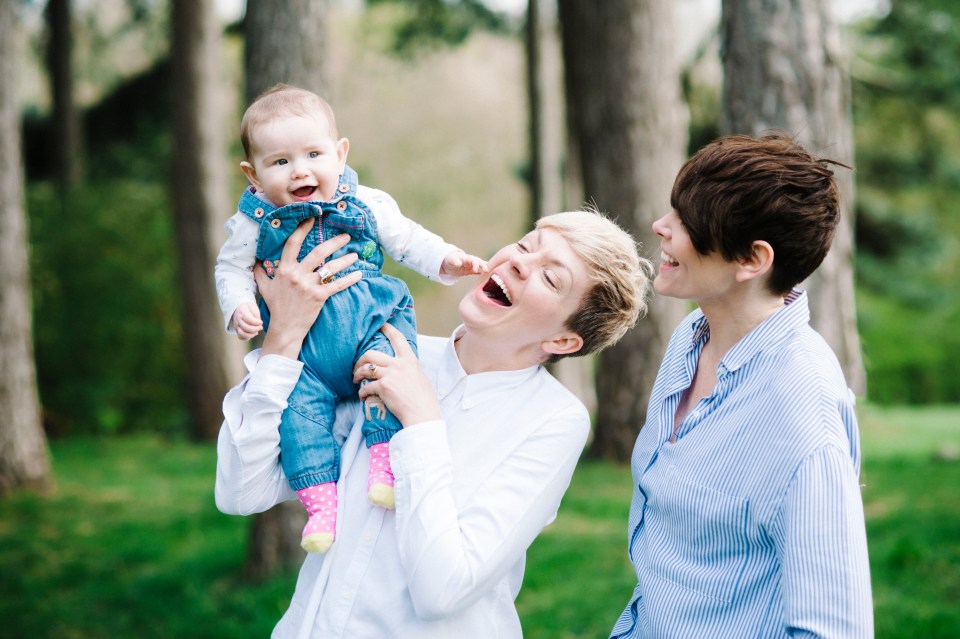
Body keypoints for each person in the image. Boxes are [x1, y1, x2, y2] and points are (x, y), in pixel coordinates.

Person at [215, 208, 654, 637]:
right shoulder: (384, 347)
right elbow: (242, 491)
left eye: (550, 277)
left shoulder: (555, 420)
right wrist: (284, 339)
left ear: (561, 340)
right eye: (526, 245)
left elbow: (442, 590)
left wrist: (422, 420)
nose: (519, 262)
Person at [609, 132, 873, 638]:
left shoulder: (802, 413)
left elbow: (837, 628)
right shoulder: (692, 337)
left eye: (686, 220)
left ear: (752, 260)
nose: (660, 227)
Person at [214, 84, 486, 553]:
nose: (300, 170)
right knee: (299, 419)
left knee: (387, 371)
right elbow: (231, 269)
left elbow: (405, 239)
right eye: (279, 162)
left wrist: (446, 261)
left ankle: (383, 459)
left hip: (366, 325)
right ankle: (320, 505)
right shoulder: (251, 224)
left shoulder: (366, 202)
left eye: (314, 154)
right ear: (252, 174)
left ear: (340, 154)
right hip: (304, 357)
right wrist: (238, 306)